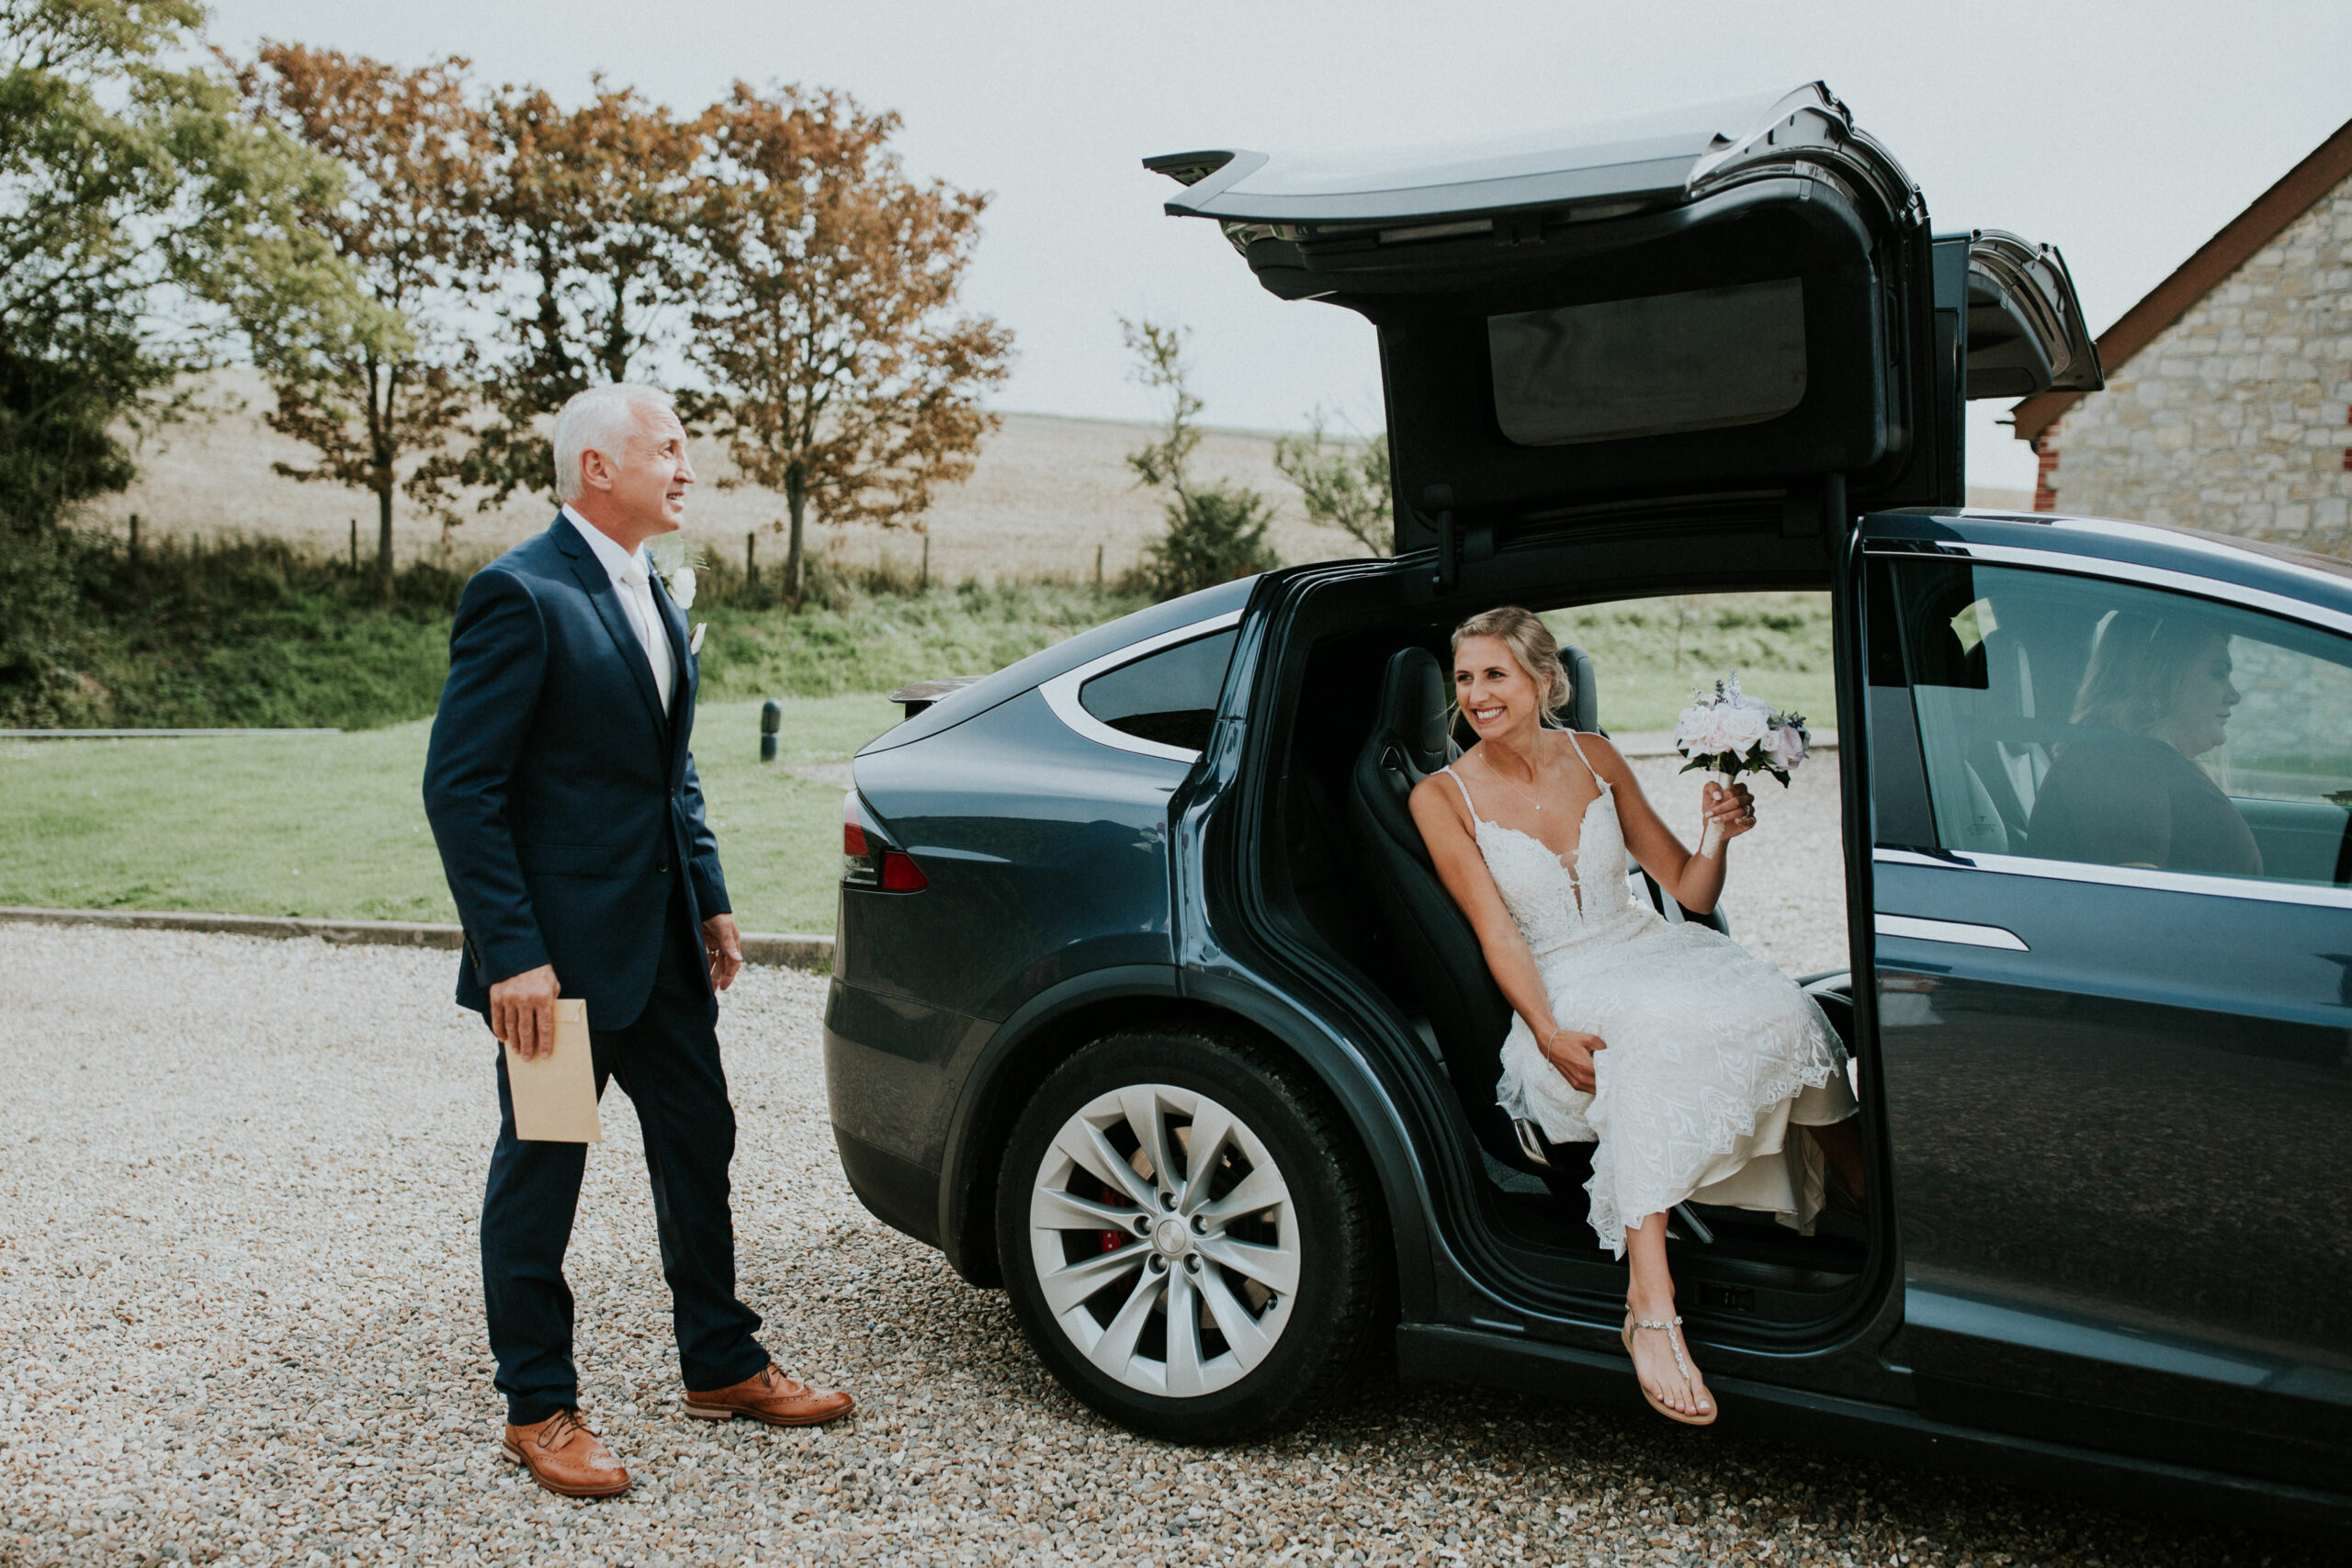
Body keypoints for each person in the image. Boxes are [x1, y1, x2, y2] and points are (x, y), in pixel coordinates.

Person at [423, 383, 852, 1499]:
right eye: (670, 450)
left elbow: (671, 770)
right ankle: (538, 1407)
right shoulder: (519, 595)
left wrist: (707, 896)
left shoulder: (652, 589)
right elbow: (461, 790)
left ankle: (719, 1363)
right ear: (597, 469)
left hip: (661, 952)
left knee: (699, 1142)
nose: (689, 471)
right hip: (553, 974)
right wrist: (513, 953)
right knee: (544, 1172)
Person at [1408, 606, 1860, 1427]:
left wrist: (1718, 834)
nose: (1475, 694)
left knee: (1788, 1008)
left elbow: (1687, 891)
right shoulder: (1441, 797)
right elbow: (1496, 930)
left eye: (1494, 675)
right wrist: (1545, 1029)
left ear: (1545, 681)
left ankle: (1868, 1204)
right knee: (1643, 1046)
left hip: (1647, 946)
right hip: (1561, 982)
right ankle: (1649, 1305)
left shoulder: (1598, 754)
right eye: (1465, 677)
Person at [2024, 612, 2260, 876]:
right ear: (2159, 678)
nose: (2234, 696)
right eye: (2218, 674)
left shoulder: (2137, 759)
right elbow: (2138, 901)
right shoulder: (2115, 763)